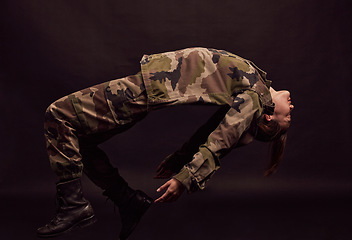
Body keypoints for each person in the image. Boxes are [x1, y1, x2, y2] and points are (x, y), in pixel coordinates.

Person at [36, 47, 294, 239]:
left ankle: (73, 205)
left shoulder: (255, 98)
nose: (292, 106)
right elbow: (212, 128)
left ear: (269, 116)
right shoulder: (257, 86)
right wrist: (180, 158)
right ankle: (127, 200)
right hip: (147, 87)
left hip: (141, 91)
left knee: (57, 114)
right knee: (79, 141)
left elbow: (223, 137)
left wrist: (186, 177)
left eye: (288, 116)